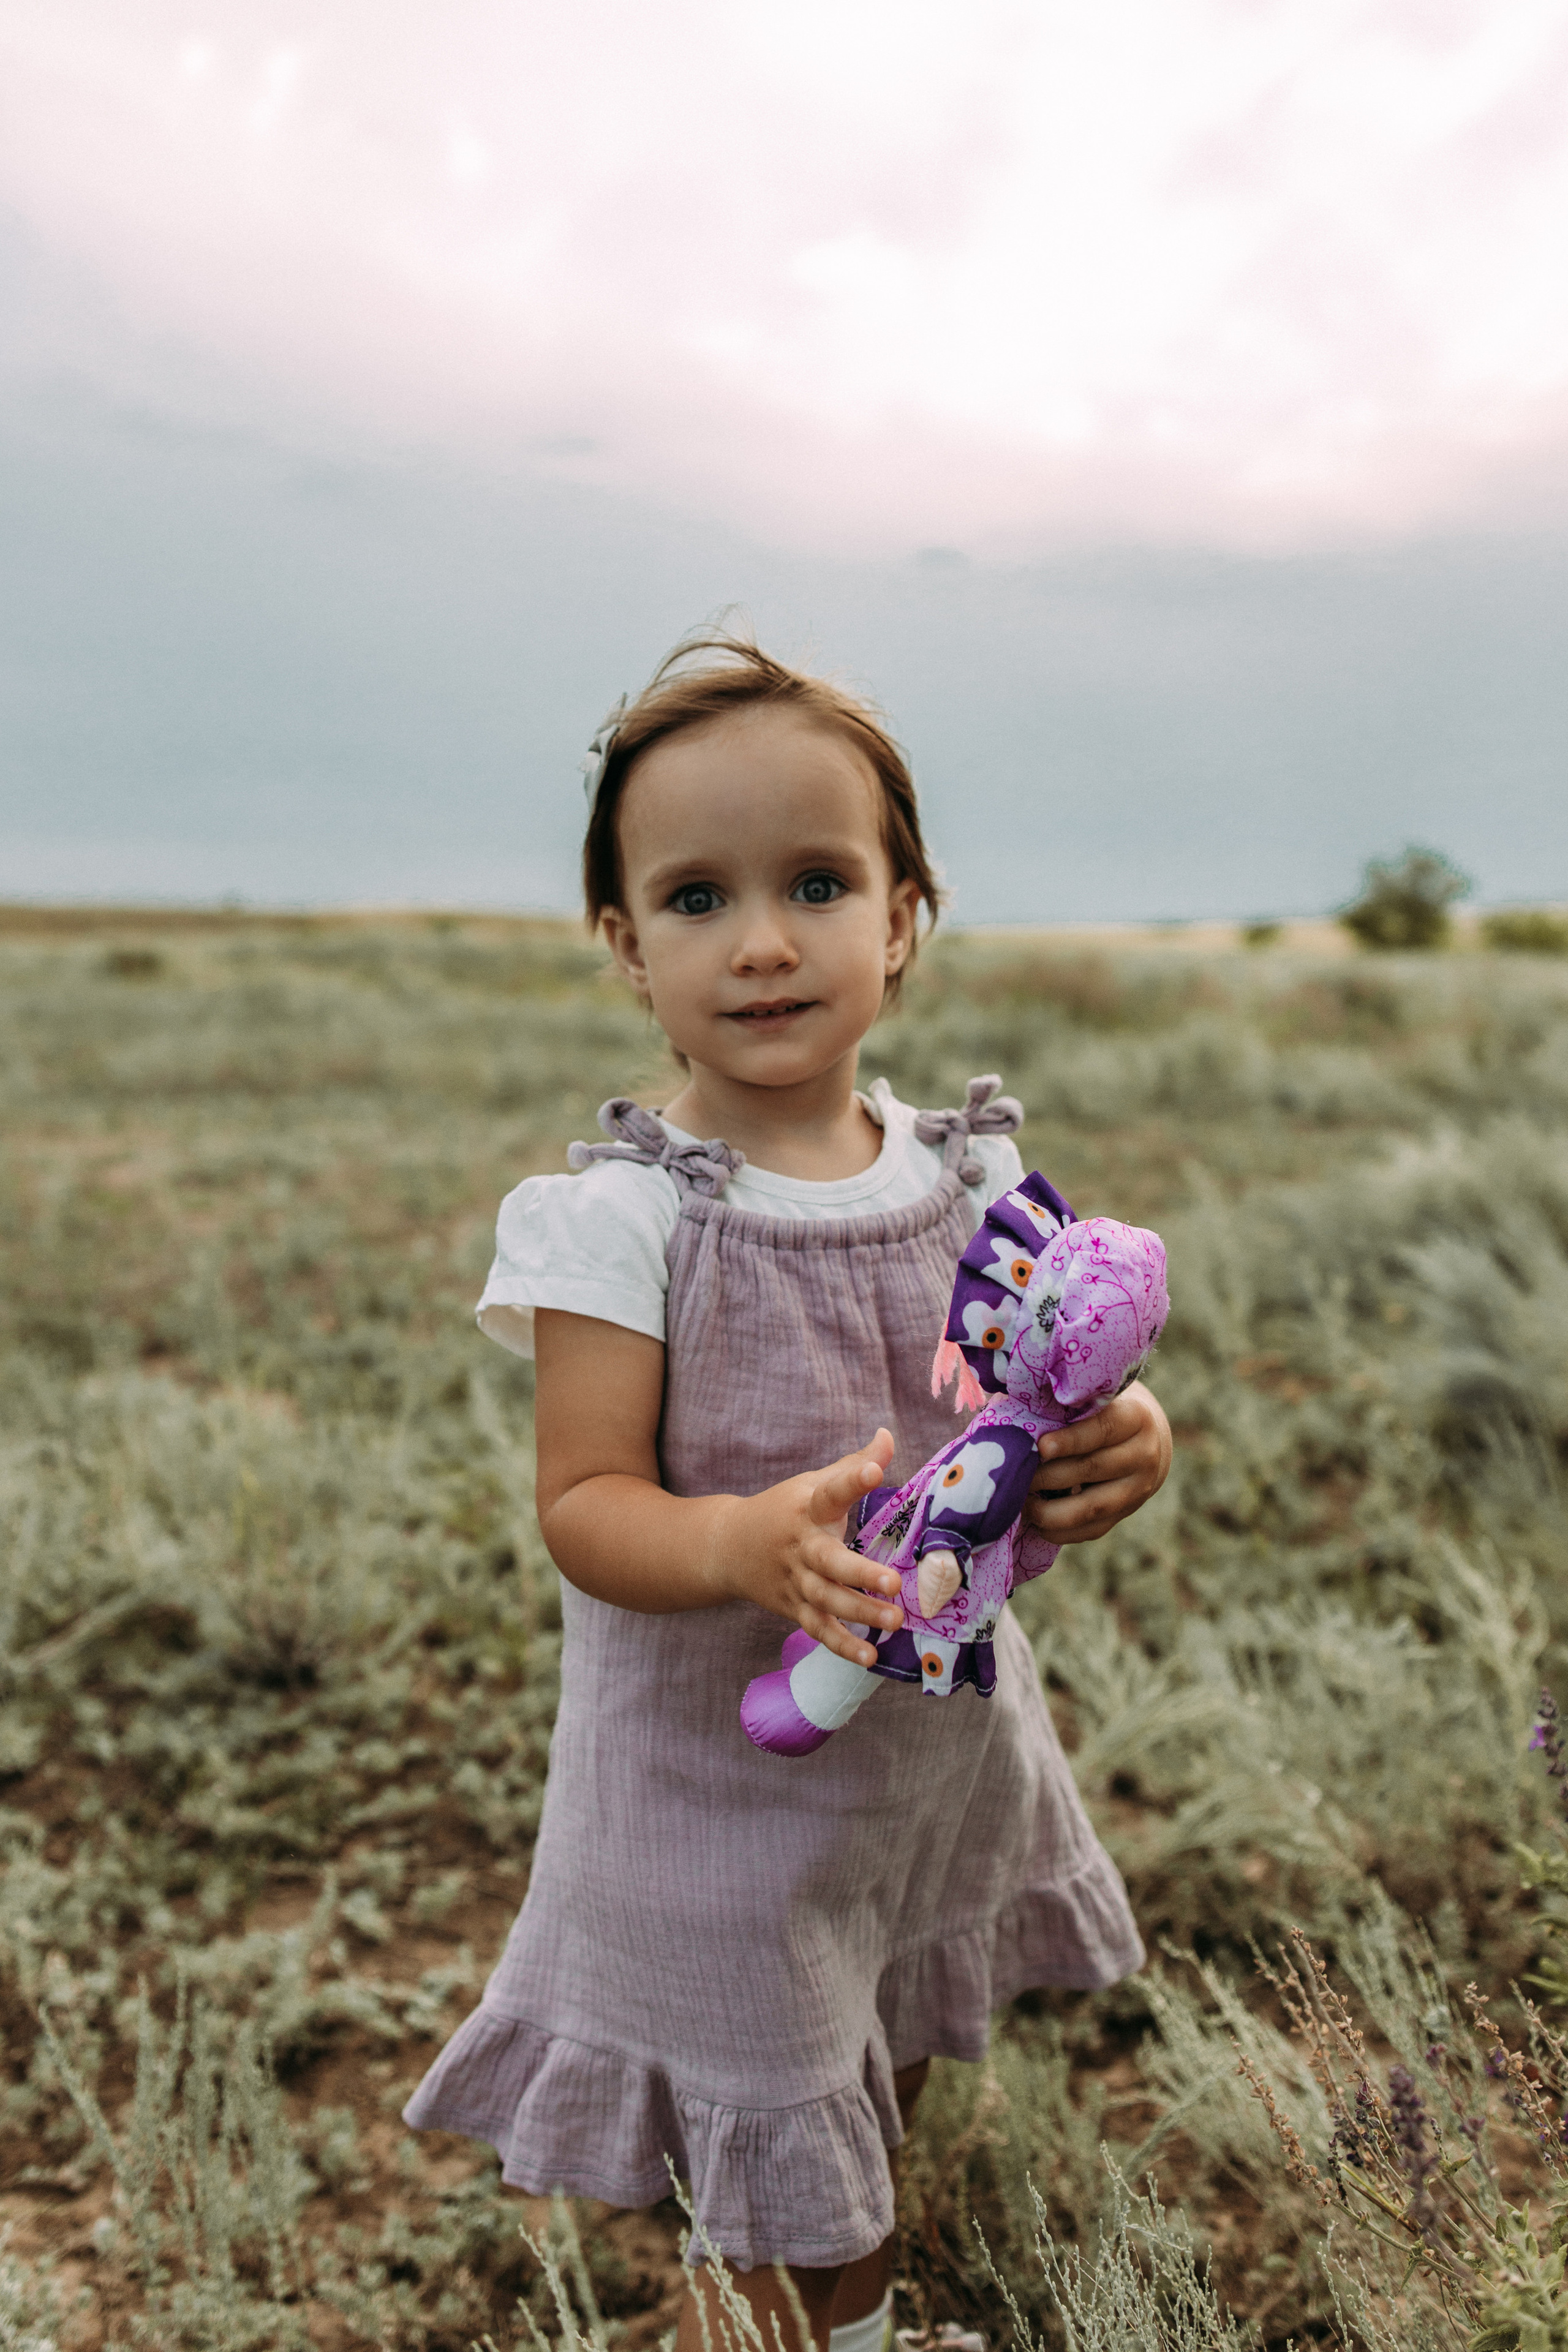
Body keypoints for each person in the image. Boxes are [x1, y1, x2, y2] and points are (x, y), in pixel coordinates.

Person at [404, 635, 1172, 2352]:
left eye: (818, 883)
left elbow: (1046, 1388)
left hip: (925, 1766)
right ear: (623, 945)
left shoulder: (967, 1172)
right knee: (775, 2186)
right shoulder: (623, 1218)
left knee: (868, 2100)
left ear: (905, 916)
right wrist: (745, 1543)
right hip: (713, 1793)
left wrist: (1132, 1443)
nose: (761, 941)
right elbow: (586, 1503)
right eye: (694, 898)